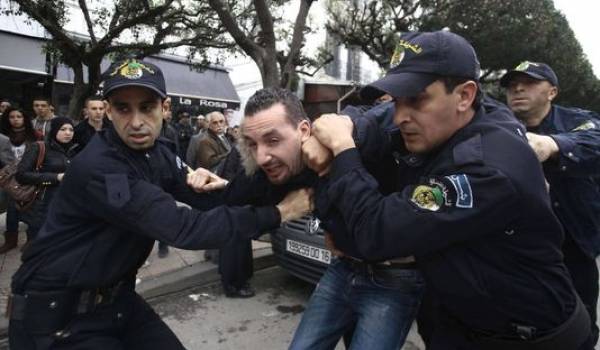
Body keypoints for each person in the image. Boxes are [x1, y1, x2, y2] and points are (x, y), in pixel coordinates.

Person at [305, 31, 590, 349]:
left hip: (530, 338)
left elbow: (377, 231)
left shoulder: (487, 166)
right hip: (458, 327)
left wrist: (343, 147)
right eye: (397, 99)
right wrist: (347, 123)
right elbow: (381, 118)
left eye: (415, 99)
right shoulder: (459, 119)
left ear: (465, 96)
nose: (400, 116)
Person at [7, 58, 311, 350]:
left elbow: (214, 201)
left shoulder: (159, 153)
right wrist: (281, 213)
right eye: (124, 108)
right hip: (57, 318)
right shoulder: (100, 168)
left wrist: (280, 173)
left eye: (147, 107)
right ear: (109, 112)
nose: (136, 122)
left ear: (164, 108)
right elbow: (184, 228)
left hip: (116, 300)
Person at [500, 61, 600, 348]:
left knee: (580, 329)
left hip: (574, 248)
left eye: (529, 83)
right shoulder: (498, 126)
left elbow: (594, 140)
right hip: (518, 253)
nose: (517, 88)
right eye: (511, 84)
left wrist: (552, 145)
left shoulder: (578, 121)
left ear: (552, 92)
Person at [16, 117, 79, 248]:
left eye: (71, 129)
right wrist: (56, 177)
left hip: (66, 206)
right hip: (42, 206)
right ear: (54, 130)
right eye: (63, 129)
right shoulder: (39, 147)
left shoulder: (74, 150)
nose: (68, 133)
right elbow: (21, 175)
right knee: (38, 246)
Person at [0, 107, 39, 253]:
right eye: (12, 117)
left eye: (19, 116)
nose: (15, 119)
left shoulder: (35, 136)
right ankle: (11, 239)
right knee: (11, 208)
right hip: (8, 178)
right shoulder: (3, 136)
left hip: (28, 176)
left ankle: (31, 239)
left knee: (31, 208)